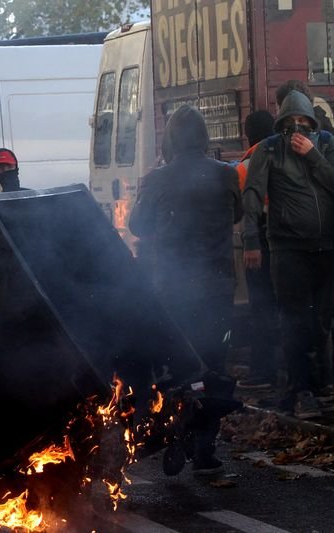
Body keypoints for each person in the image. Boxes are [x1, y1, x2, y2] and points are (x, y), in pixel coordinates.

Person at [129, 104, 242, 473]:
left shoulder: (158, 179)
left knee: (179, 367)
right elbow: (237, 214)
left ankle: (177, 432)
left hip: (173, 288)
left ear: (171, 139)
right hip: (219, 287)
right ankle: (205, 444)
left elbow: (137, 225)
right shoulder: (226, 174)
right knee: (214, 364)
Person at [242, 90, 334, 419]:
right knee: (295, 321)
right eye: (291, 124)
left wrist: (313, 155)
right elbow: (252, 194)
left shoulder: (326, 143)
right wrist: (251, 240)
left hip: (323, 247)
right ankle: (299, 389)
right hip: (288, 249)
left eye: (304, 123)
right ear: (281, 125)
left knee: (321, 323)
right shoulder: (270, 149)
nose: (298, 129)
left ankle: (320, 385)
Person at [236, 110, 281, 387]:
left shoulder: (244, 167)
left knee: (261, 307)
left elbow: (240, 207)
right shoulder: (288, 156)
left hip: (259, 244)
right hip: (288, 241)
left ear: (247, 136)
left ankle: (262, 372)